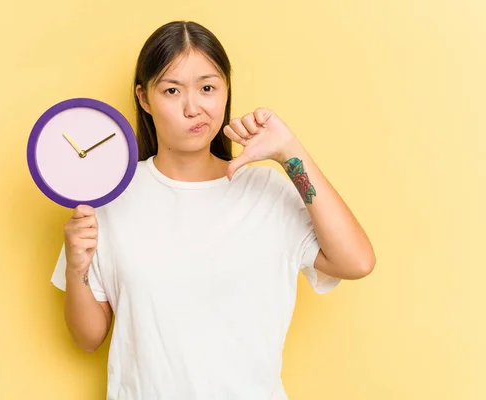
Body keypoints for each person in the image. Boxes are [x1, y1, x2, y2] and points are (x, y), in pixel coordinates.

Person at [51, 20, 375, 400]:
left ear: (225, 92)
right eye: (172, 90)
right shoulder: (111, 195)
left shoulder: (266, 192)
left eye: (208, 88)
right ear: (144, 98)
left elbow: (356, 262)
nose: (194, 108)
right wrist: (77, 268)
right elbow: (88, 337)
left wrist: (290, 152)